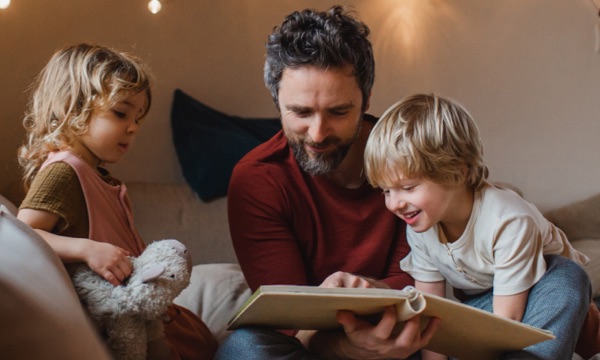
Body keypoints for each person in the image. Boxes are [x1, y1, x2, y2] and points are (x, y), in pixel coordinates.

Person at [215, 6, 440, 360]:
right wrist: (348, 346)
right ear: (277, 102)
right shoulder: (258, 179)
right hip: (315, 348)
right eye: (301, 112)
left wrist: (375, 289)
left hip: (411, 330)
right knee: (244, 348)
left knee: (559, 279)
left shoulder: (415, 159)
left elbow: (424, 279)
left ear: (365, 101)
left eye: (338, 112)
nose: (317, 135)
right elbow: (289, 322)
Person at [16, 43, 217, 360]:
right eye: (121, 113)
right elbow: (20, 237)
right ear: (73, 106)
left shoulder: (97, 175)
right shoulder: (64, 171)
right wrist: (85, 248)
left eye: (138, 117)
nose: (134, 126)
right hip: (106, 322)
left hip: (132, 307)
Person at [364, 93, 600, 360]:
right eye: (385, 191)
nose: (394, 203)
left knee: (567, 276)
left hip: (542, 295)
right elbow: (429, 312)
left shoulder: (507, 220)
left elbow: (505, 323)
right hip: (488, 306)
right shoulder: (420, 225)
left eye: (407, 188)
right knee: (414, 337)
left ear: (458, 171)